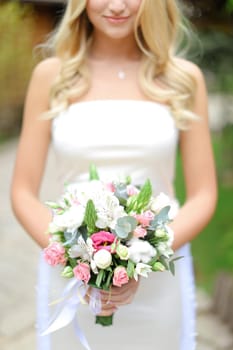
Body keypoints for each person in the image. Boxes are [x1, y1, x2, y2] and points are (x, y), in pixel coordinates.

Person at [11, 0, 217, 349]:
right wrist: (79, 261)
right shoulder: (52, 76)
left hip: (159, 275)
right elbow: (22, 191)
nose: (117, 6)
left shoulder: (182, 78)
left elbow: (204, 195)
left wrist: (146, 257)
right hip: (72, 277)